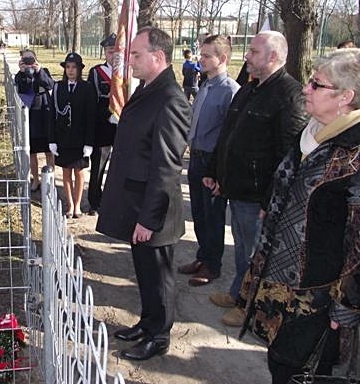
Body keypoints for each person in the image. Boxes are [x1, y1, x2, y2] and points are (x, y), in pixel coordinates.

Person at [238, 48, 360, 384]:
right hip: (277, 282)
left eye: (317, 84)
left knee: (300, 371)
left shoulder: (353, 152)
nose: (306, 88)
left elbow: (358, 242)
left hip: (317, 298)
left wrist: (347, 307)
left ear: (345, 97)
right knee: (279, 363)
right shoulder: (310, 133)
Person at [96, 27, 191, 361]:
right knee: (145, 273)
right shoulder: (148, 89)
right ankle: (148, 322)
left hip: (155, 212)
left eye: (136, 54)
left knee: (160, 278)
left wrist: (149, 220)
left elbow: (166, 167)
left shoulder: (170, 99)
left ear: (158, 57)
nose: (129, 60)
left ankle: (159, 336)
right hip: (137, 203)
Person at [204, 31, 307, 326]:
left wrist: (270, 199)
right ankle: (239, 291)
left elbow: (288, 156)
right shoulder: (249, 89)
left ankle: (250, 305)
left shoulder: (289, 95)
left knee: (256, 253)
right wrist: (215, 171)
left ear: (273, 56)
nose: (246, 56)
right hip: (237, 188)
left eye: (253, 52)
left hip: (258, 195)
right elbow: (227, 136)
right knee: (241, 246)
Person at [178, 35, 240, 286]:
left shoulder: (231, 91)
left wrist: (219, 172)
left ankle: (212, 266)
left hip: (212, 163)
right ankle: (202, 257)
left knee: (213, 216)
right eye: (200, 55)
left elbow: (230, 136)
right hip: (196, 158)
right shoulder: (205, 84)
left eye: (206, 56)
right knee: (199, 213)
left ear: (222, 58)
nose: (200, 60)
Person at [48, 53, 96, 218]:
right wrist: (52, 140)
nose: (70, 70)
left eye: (74, 67)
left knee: (79, 172)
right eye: (68, 67)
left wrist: (89, 142)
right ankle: (69, 205)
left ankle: (77, 205)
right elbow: (52, 114)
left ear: (79, 69)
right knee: (66, 172)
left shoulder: (87, 88)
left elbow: (91, 117)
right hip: (63, 138)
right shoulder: (58, 87)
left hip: (81, 139)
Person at [14, 49, 55, 191]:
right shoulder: (20, 76)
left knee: (49, 150)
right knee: (32, 151)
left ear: (36, 59)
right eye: (25, 59)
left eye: (30, 59)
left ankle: (50, 179)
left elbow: (50, 85)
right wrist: (23, 72)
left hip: (45, 112)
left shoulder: (44, 71)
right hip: (30, 115)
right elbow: (22, 89)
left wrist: (39, 70)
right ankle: (36, 179)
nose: (28, 62)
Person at [87, 33, 118, 216]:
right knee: (98, 166)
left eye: (116, 51)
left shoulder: (128, 72)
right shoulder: (96, 72)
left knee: (120, 167)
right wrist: (107, 114)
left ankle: (114, 202)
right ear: (104, 53)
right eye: (109, 51)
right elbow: (92, 102)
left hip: (123, 126)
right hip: (103, 125)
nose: (112, 55)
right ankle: (94, 201)